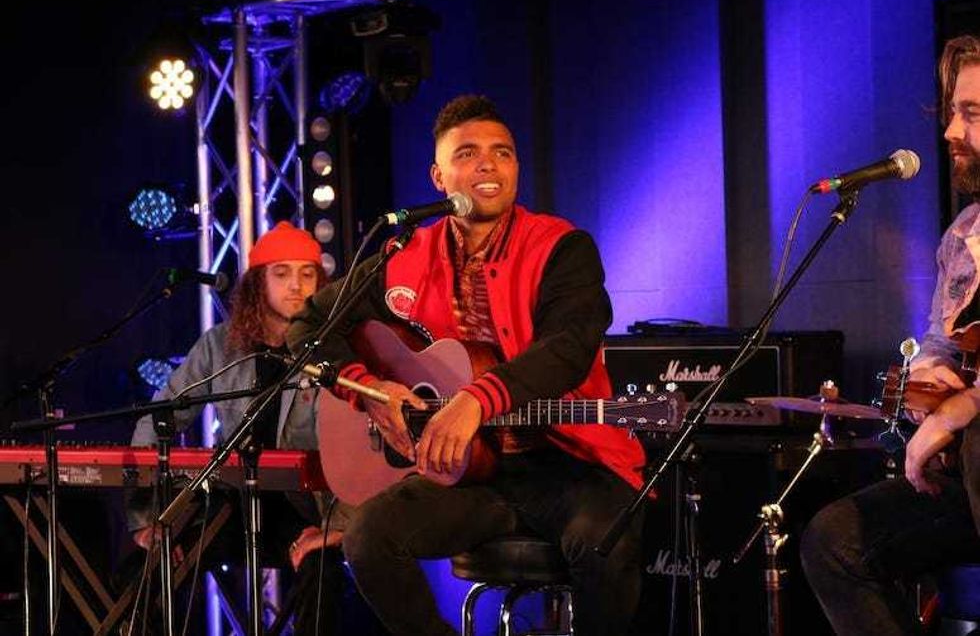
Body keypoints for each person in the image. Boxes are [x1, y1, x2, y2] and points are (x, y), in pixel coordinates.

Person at [287, 94, 648, 636]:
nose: (488, 165)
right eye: (468, 153)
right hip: (472, 473)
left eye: (502, 153)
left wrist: (476, 401)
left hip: (570, 461)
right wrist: (371, 391)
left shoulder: (562, 248)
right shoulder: (406, 254)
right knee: (368, 538)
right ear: (438, 177)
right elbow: (307, 326)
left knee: (603, 542)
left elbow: (568, 349)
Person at [800, 35, 980, 635]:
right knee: (835, 540)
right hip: (966, 481)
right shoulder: (963, 237)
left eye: (971, 113)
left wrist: (957, 411)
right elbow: (942, 341)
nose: (950, 131)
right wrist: (928, 377)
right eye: (952, 112)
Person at [127, 221, 355, 634]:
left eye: (307, 274)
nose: (296, 285)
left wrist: (338, 527)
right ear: (256, 284)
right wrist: (148, 518)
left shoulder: (335, 348)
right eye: (281, 274)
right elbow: (159, 419)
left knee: (324, 571)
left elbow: (364, 448)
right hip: (227, 506)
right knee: (145, 566)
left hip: (304, 509)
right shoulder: (220, 344)